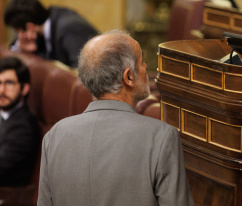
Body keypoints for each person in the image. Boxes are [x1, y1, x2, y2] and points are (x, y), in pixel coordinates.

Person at [37, 30, 195, 205]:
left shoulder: (55, 136)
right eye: (142, 61)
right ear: (128, 77)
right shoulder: (161, 137)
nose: (145, 67)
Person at [3, 0, 98, 68]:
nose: (18, 35)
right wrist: (23, 50)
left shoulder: (69, 28)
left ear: (29, 27)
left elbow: (80, 71)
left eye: (17, 31)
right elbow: (13, 46)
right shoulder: (41, 29)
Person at [0, 56, 40, 187]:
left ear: (24, 89)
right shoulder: (4, 111)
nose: (2, 90)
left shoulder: (24, 128)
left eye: (9, 83)